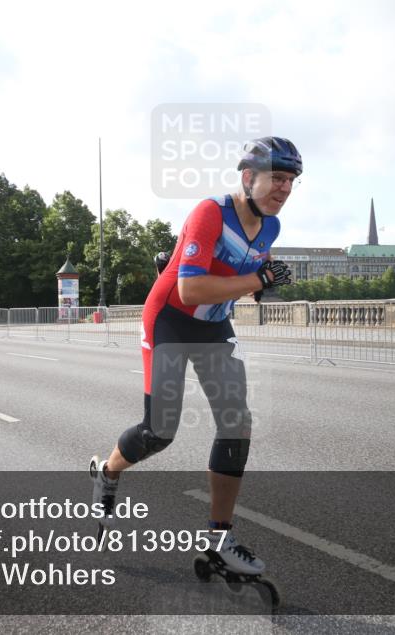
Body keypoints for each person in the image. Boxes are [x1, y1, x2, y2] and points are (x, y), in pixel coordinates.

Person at [91, 136, 298, 576]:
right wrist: (258, 279)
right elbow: (190, 289)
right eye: (276, 178)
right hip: (169, 318)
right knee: (159, 431)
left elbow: (249, 280)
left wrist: (266, 283)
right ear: (248, 177)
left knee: (236, 422)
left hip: (212, 325)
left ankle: (219, 537)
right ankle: (107, 472)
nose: (284, 188)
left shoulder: (272, 227)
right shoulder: (210, 212)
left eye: (290, 180)